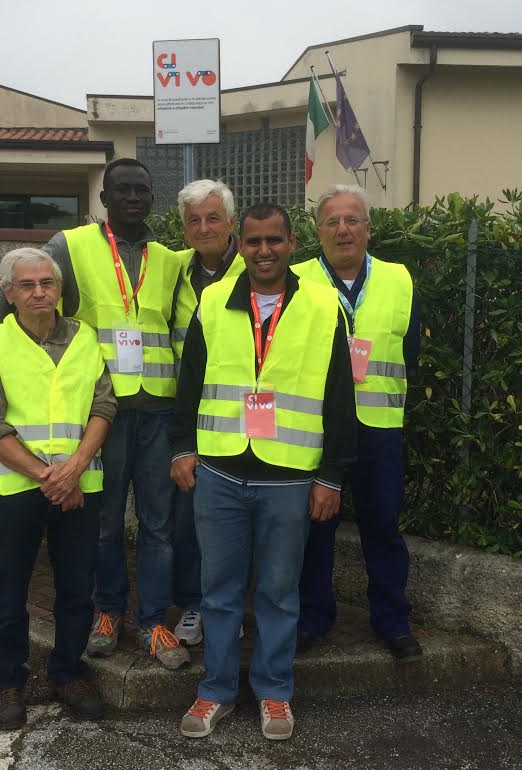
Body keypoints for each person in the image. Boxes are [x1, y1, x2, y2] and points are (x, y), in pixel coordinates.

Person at [0, 158, 190, 670]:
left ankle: (153, 621)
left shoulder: (171, 260)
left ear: (152, 198)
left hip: (156, 409)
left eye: (141, 189)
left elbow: (185, 331)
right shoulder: (70, 244)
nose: (132, 198)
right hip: (102, 411)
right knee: (105, 525)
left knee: (157, 525)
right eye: (121, 190)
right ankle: (107, 613)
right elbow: (19, 283)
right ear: (103, 199)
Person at [170, 203, 356, 740]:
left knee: (278, 592)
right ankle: (216, 691)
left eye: (274, 240)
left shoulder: (323, 305)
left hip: (291, 477)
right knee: (219, 592)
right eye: (253, 241)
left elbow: (340, 395)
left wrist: (330, 475)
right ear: (241, 244)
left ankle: (274, 691)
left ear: (292, 242)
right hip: (220, 473)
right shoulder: (212, 301)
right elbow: (191, 382)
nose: (264, 250)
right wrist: (183, 446)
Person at [0, 247, 116, 730]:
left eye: (47, 284)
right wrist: (51, 477)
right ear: (8, 294)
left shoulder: (85, 339)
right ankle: (9, 681)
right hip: (19, 492)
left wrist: (73, 469)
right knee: (9, 591)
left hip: (78, 486)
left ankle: (67, 674)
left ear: (58, 289)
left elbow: (103, 407)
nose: (39, 293)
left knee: (76, 589)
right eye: (27, 285)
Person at [293, 184, 423, 662]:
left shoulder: (399, 279)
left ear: (368, 228)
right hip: (317, 426)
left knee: (383, 524)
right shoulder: (298, 278)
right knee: (315, 525)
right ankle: (312, 619)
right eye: (332, 221)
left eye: (352, 220)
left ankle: (392, 621)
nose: (343, 230)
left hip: (378, 425)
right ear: (318, 231)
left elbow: (409, 352)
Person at [171, 179, 245, 646]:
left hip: (245, 418)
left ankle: (235, 608)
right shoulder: (171, 269)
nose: (204, 227)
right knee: (188, 518)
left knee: (241, 522)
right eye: (194, 220)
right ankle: (195, 604)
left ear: (231, 223)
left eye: (213, 217)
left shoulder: (260, 267)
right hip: (188, 415)